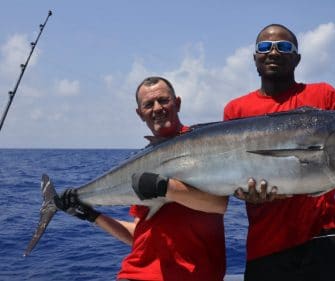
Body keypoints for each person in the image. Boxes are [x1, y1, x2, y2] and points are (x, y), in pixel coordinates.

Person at [57, 76, 228, 281]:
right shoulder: (141, 162)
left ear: (178, 103)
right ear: (140, 114)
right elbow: (139, 235)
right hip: (134, 274)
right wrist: (92, 215)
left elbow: (218, 204)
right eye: (148, 104)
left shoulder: (204, 144)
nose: (157, 108)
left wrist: (164, 187)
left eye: (163, 100)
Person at [223, 24, 335, 281]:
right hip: (265, 243)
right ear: (255, 58)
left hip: (322, 236)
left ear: (297, 58)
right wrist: (242, 193)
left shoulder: (323, 95)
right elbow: (230, 172)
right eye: (264, 47)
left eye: (283, 47)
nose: (273, 52)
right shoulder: (235, 110)